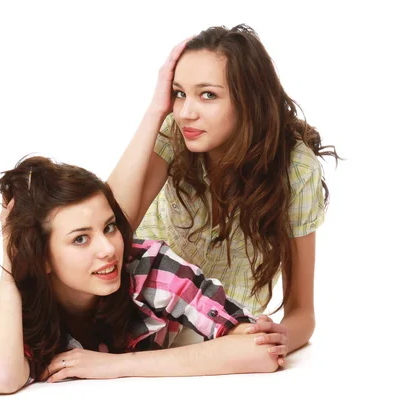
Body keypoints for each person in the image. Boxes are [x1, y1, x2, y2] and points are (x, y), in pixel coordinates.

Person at [107, 24, 340, 354]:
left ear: (249, 100)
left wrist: (277, 337)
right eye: (179, 93)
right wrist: (155, 110)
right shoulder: (175, 130)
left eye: (208, 95)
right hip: (147, 292)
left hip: (220, 326)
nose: (187, 112)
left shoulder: (296, 170)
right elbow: (109, 223)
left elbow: (302, 313)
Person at [0, 156, 285, 395]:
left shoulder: (149, 267)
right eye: (80, 239)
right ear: (41, 256)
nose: (108, 249)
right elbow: (0, 379)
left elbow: (260, 351)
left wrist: (113, 366)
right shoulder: (13, 302)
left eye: (109, 227)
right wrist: (10, 270)